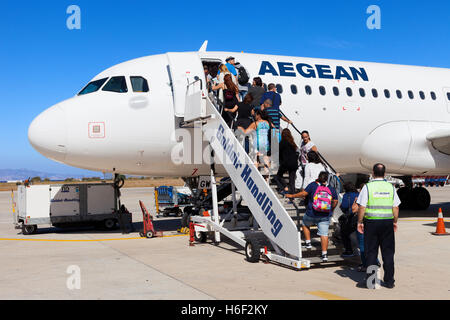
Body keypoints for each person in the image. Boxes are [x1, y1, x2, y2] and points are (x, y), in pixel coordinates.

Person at [356, 163, 400, 289]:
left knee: (371, 252)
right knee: (388, 252)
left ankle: (371, 282)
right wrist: (395, 221)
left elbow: (362, 207)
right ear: (385, 174)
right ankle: (389, 281)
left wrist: (360, 222)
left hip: (371, 223)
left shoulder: (368, 187)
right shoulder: (390, 187)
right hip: (387, 223)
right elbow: (395, 207)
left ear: (373, 173)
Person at [286, 171, 339, 262]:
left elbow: (303, 194)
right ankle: (324, 254)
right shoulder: (331, 188)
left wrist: (292, 195)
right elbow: (335, 201)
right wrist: (330, 209)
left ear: (318, 177)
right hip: (325, 215)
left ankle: (308, 243)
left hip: (312, 213)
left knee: (305, 224)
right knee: (324, 234)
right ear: (327, 179)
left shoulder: (313, 185)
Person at [245, 109, 271, 179]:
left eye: (255, 115)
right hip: (266, 144)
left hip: (258, 145)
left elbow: (245, 132)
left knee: (256, 161)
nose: (254, 116)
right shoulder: (268, 122)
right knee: (266, 162)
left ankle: (256, 178)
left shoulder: (255, 123)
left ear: (258, 115)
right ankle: (266, 180)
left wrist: (240, 128)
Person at [273, 129, 299, 195]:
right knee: (292, 180)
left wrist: (268, 153)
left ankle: (285, 186)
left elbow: (277, 150)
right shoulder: (292, 143)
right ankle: (292, 196)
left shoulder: (282, 142)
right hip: (294, 163)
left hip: (286, 163)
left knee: (279, 176)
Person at [338, 182, 360, 258]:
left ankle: (349, 250)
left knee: (344, 233)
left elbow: (344, 206)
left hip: (351, 218)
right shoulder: (359, 194)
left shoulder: (346, 195)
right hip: (360, 217)